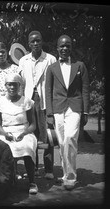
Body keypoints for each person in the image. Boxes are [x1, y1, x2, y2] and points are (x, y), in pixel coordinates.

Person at [45, 35, 89, 190]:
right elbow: (48, 91)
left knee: (70, 138)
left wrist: (86, 112)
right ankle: (66, 173)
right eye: (61, 46)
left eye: (67, 46)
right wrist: (49, 113)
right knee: (63, 142)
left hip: (75, 107)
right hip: (58, 108)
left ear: (71, 48)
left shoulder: (80, 66)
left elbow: (85, 89)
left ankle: (71, 177)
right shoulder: (52, 68)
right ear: (57, 48)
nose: (64, 48)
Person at [18, 31, 57, 179]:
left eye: (38, 41)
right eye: (32, 41)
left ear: (42, 42)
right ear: (28, 44)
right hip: (29, 100)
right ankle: (33, 168)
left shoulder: (50, 59)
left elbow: (53, 83)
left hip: (45, 100)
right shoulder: (23, 60)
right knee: (31, 134)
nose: (35, 44)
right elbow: (21, 83)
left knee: (48, 134)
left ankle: (48, 169)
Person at [0, 73, 38, 194]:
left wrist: (24, 133)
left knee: (27, 147)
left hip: (24, 132)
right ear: (5, 86)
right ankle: (9, 180)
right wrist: (5, 134)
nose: (12, 87)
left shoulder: (27, 101)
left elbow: (33, 124)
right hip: (6, 132)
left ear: (19, 86)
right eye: (9, 85)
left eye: (15, 85)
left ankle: (32, 181)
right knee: (5, 147)